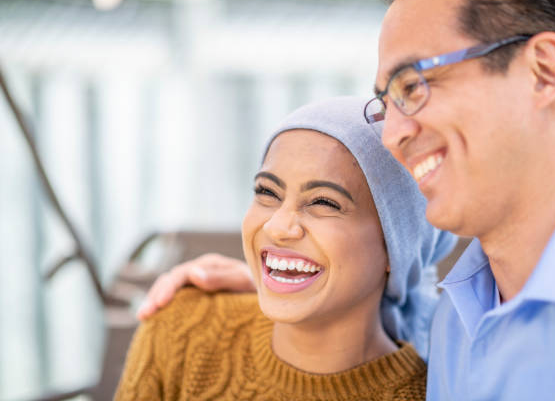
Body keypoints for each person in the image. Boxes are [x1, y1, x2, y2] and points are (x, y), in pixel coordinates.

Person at [140, 0, 555, 399]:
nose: (392, 136)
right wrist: (284, 293)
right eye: (387, 102)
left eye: (414, 84)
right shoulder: (457, 321)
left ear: (544, 72)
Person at [116, 97, 457, 400]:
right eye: (267, 192)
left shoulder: (432, 393)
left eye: (324, 201)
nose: (277, 226)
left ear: (396, 245)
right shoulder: (183, 329)